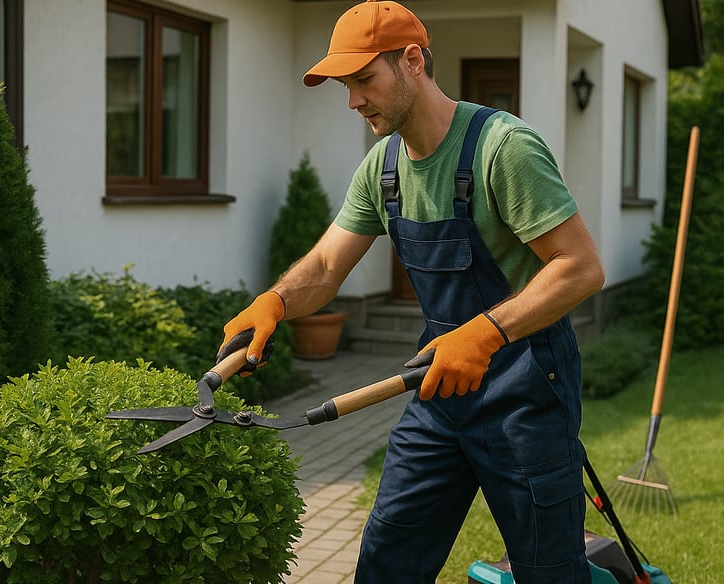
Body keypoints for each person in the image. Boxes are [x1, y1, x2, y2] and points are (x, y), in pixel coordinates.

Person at [217, 1, 605, 582]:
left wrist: (486, 331)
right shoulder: (383, 168)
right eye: (346, 87)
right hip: (439, 391)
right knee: (386, 561)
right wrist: (275, 303)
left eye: (364, 80)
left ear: (413, 60)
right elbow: (325, 265)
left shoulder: (504, 149)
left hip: (527, 394)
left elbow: (580, 268)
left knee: (549, 571)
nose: (353, 101)